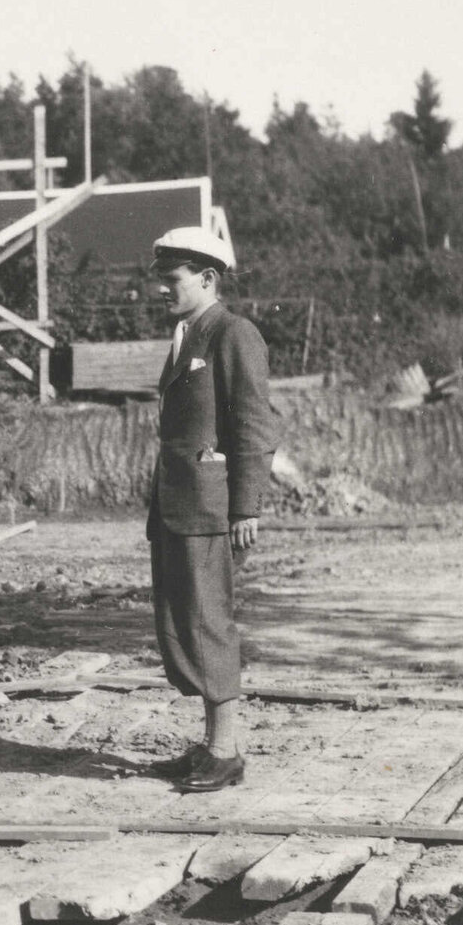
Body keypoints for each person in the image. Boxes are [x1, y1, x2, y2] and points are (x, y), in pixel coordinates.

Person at [142, 226, 277, 792]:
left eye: (171, 280)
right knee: (182, 623)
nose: (161, 290)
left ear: (207, 278)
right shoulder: (188, 333)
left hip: (209, 508)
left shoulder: (232, 333)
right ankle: (212, 745)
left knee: (208, 621)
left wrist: (246, 506)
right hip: (177, 504)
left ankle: (227, 750)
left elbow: (253, 424)